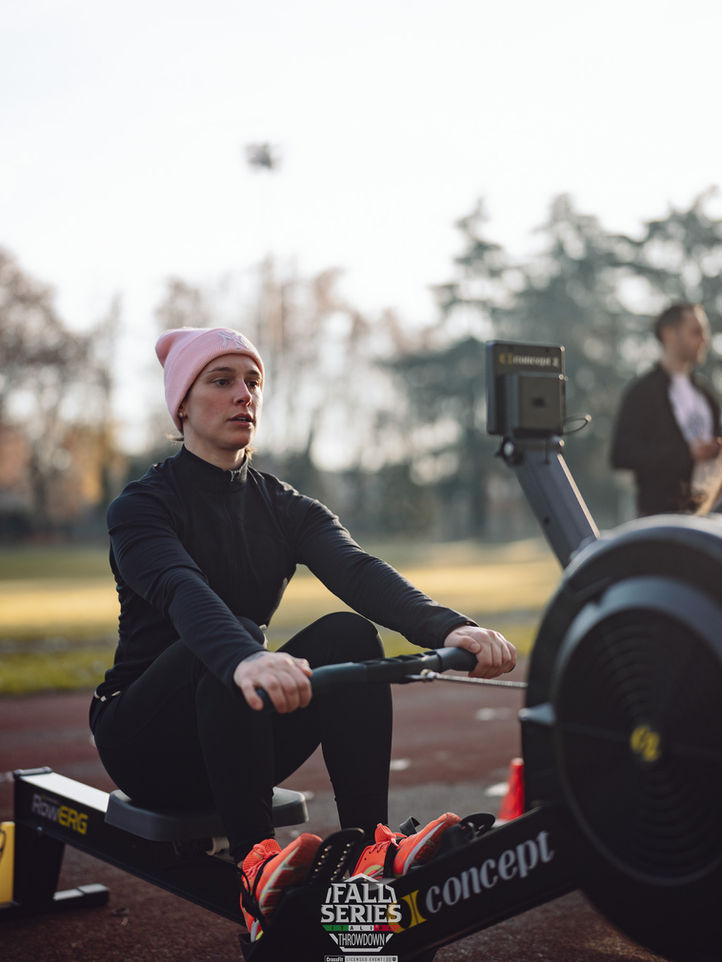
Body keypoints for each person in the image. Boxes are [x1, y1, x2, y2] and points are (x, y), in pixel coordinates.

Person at [89, 326, 517, 941]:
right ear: (181, 404)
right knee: (233, 636)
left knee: (348, 634)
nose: (244, 395)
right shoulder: (140, 506)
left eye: (253, 382)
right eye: (221, 381)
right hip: (147, 742)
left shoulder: (284, 505)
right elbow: (184, 591)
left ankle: (370, 848)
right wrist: (244, 656)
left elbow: (359, 572)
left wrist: (454, 627)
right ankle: (255, 865)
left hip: (237, 735)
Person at [610, 303, 721, 516]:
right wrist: (686, 453)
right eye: (695, 332)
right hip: (661, 521)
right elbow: (621, 455)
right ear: (669, 334)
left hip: (708, 518)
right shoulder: (641, 393)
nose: (704, 340)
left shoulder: (707, 396)